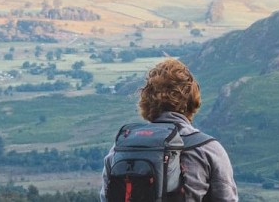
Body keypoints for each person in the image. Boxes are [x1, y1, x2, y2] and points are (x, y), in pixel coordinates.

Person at [100, 58, 238, 201]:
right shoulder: (208, 149)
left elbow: (106, 197)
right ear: (192, 102)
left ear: (146, 101)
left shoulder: (120, 149)